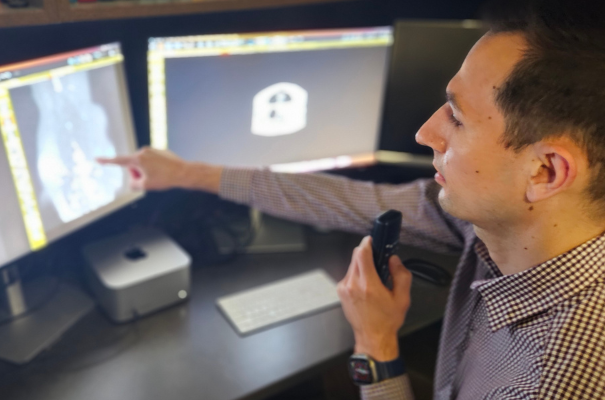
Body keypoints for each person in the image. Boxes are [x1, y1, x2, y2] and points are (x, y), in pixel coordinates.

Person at [99, 0, 605, 398]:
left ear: (545, 171)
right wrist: (189, 173)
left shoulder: (549, 381)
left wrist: (376, 344)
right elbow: (348, 201)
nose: (425, 131)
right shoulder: (502, 223)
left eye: (457, 117)